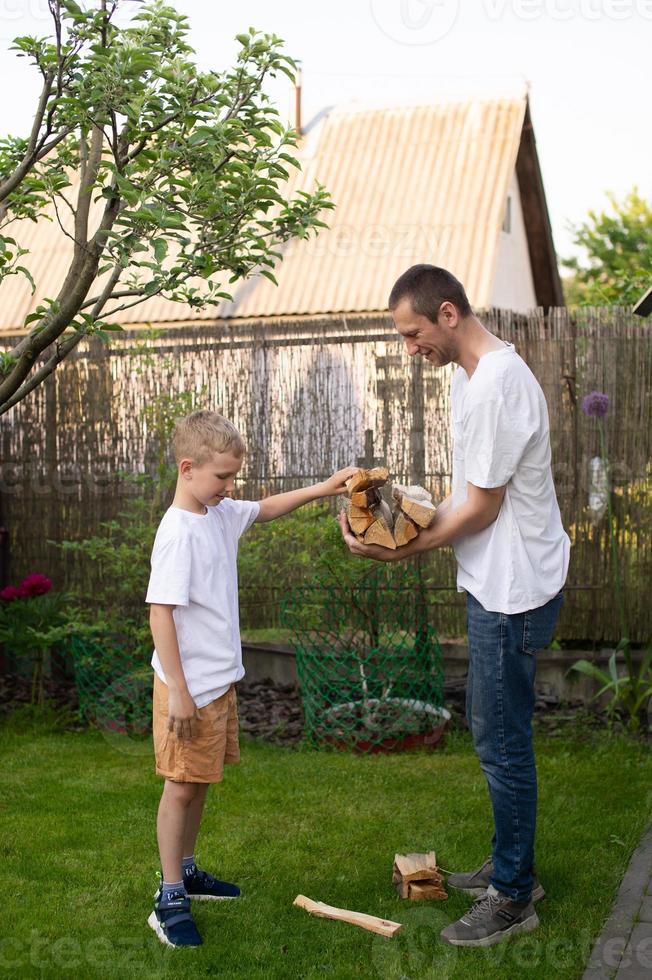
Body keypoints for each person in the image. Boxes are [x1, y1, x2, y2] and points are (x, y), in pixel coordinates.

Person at [339, 264, 570, 949]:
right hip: (495, 580)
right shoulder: (473, 379)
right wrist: (402, 513)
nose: (410, 350)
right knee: (495, 737)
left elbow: (484, 505)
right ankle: (512, 870)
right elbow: (469, 492)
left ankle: (513, 897)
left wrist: (399, 552)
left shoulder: (497, 383)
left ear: (446, 313)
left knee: (502, 746)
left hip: (515, 589)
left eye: (412, 334)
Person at [147, 409, 357, 948]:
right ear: (188, 468)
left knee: (199, 784)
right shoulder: (178, 533)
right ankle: (168, 895)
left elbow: (264, 509)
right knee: (180, 786)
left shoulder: (216, 513)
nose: (231, 487)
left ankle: (188, 870)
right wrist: (180, 693)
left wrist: (324, 488)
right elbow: (160, 614)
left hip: (216, 683)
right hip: (187, 689)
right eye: (223, 477)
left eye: (233, 478)